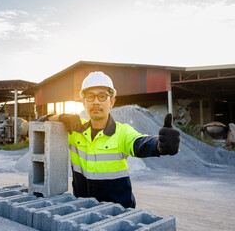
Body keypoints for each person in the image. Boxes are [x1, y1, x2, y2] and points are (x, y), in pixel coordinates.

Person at [37, 71, 180, 208]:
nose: (96, 102)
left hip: (118, 215)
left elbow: (140, 143)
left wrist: (159, 145)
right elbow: (38, 125)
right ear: (83, 102)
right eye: (90, 96)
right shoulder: (74, 131)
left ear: (111, 102)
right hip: (83, 214)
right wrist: (61, 117)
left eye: (102, 96)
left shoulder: (122, 132)